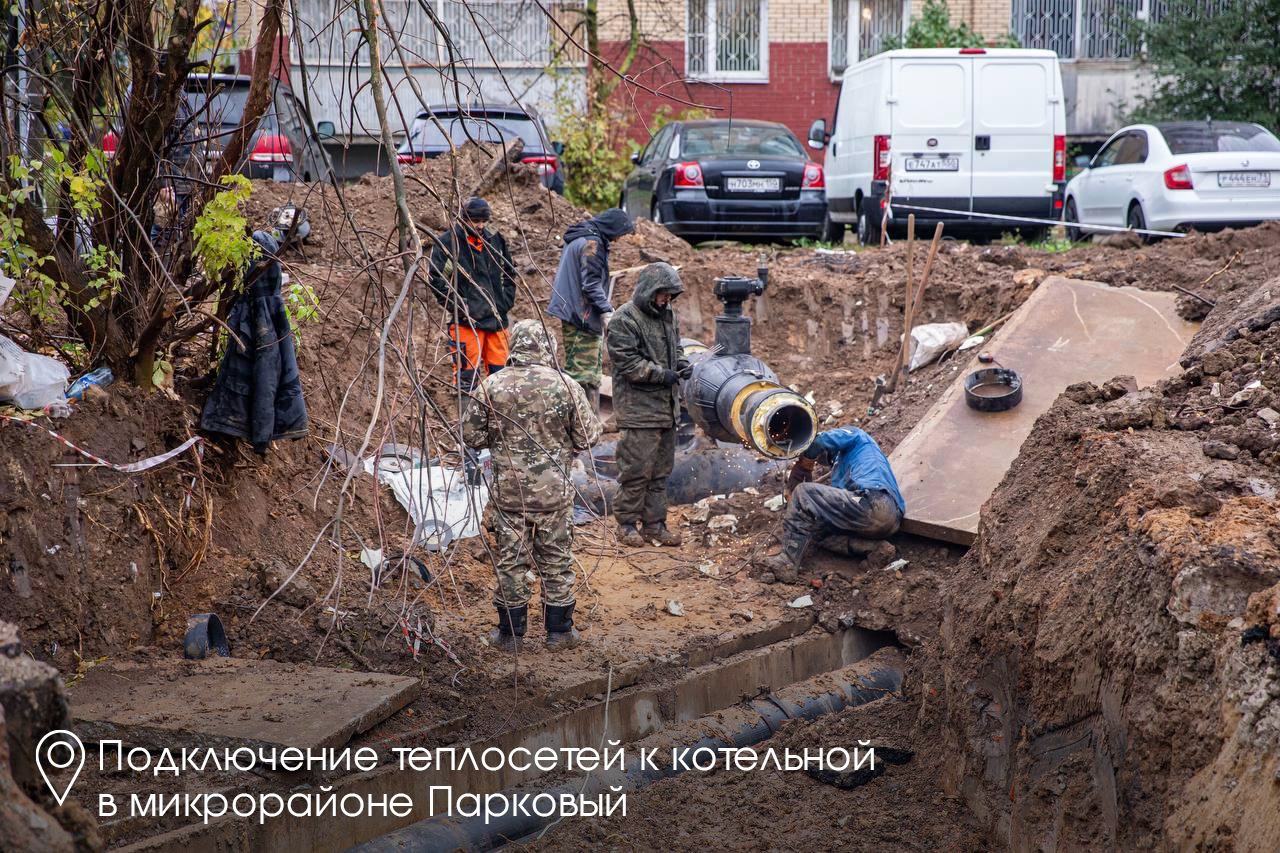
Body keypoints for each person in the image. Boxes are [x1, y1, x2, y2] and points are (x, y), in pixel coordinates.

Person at [462, 319, 603, 652]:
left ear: (514, 346)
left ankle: (510, 637)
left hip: (510, 496)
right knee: (557, 560)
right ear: (548, 348)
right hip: (554, 495)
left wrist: (499, 438)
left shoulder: (491, 385)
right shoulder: (566, 385)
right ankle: (559, 633)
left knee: (511, 563)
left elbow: (471, 436)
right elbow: (587, 436)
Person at [606, 262, 690, 548]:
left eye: (670, 295)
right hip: (638, 411)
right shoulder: (624, 320)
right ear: (649, 291)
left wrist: (682, 364)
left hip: (666, 410)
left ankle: (655, 524)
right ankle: (627, 524)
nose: (666, 300)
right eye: (663, 294)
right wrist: (661, 374)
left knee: (660, 473)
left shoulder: (667, 316)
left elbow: (675, 348)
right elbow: (628, 363)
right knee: (636, 471)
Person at [759, 427, 905, 583]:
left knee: (803, 493)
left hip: (875, 502)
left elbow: (818, 441)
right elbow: (831, 508)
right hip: (888, 519)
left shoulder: (856, 436)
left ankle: (786, 563)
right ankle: (874, 548)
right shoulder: (845, 466)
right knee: (818, 530)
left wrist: (804, 465)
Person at [547, 208, 635, 409]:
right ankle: (583, 424)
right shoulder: (592, 244)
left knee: (588, 372)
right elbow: (591, 284)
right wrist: (606, 311)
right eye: (621, 234)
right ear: (613, 228)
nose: (619, 239)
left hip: (573, 309)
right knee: (583, 374)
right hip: (581, 314)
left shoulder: (584, 236)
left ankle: (588, 422)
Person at [429, 197, 517, 392]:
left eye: (483, 222)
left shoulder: (495, 240)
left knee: (502, 382)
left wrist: (504, 303)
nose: (480, 226)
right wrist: (461, 305)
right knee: (466, 381)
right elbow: (436, 279)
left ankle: (497, 422)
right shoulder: (449, 243)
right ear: (464, 219)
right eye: (475, 221)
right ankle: (466, 421)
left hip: (497, 322)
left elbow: (509, 273)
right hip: (466, 323)